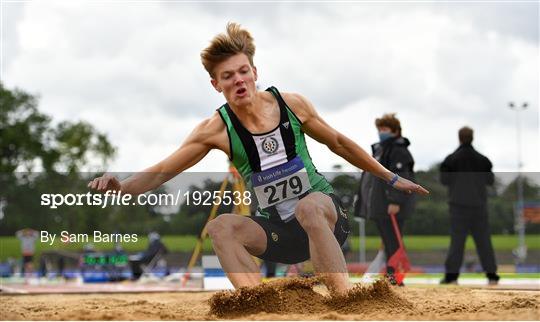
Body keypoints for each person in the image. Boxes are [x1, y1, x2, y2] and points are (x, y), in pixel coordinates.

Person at [88, 22, 428, 294]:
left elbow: (339, 142)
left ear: (254, 71)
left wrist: (392, 178)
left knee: (308, 206)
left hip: (326, 219)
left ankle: (346, 302)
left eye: (242, 71)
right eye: (227, 77)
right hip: (278, 234)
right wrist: (123, 186)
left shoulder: (292, 105)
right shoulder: (215, 129)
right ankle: (257, 304)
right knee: (220, 226)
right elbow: (163, 170)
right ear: (215, 84)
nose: (237, 80)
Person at [353, 113, 416, 285]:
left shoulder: (398, 150)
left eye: (385, 129)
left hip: (391, 205)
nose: (381, 132)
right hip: (379, 205)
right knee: (388, 243)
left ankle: (394, 277)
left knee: (393, 243)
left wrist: (395, 200)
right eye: (379, 129)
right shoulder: (379, 150)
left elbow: (402, 175)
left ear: (395, 131)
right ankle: (391, 276)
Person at [440, 126, 499, 285]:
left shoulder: (450, 159)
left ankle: (452, 277)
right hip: (479, 207)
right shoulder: (483, 160)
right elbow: (490, 181)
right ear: (472, 138)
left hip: (458, 207)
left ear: (459, 138)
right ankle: (492, 275)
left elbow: (444, 181)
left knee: (457, 242)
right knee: (484, 241)